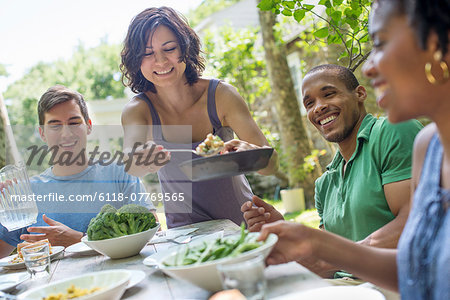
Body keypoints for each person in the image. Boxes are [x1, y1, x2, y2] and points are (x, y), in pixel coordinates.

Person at [258, 0, 449, 298]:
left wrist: (324, 251)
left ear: (437, 42)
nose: (370, 67)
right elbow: (418, 269)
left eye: (381, 44)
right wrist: (308, 241)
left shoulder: (395, 134)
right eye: (309, 103)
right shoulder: (429, 147)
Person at [242, 64, 422, 277]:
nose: (318, 107)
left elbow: (416, 221)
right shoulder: (325, 184)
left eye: (329, 94)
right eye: (309, 103)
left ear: (360, 94)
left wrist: (338, 257)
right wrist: (280, 229)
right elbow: (324, 267)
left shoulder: (393, 131)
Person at [119, 7, 278, 228]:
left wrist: (251, 154)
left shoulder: (222, 95)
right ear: (136, 61)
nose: (161, 61)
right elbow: (132, 166)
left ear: (185, 48)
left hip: (242, 223)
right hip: (184, 234)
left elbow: (270, 166)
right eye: (147, 53)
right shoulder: (137, 110)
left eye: (170, 48)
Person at [0, 85, 155, 258]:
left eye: (74, 123)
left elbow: (154, 235)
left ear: (88, 126)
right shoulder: (27, 192)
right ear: (42, 133)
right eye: (55, 125)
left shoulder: (119, 174)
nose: (66, 134)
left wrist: (80, 240)